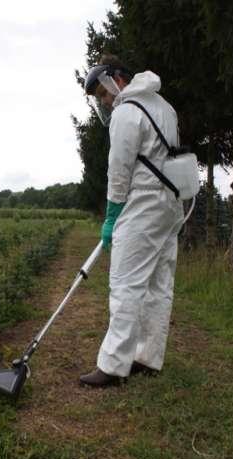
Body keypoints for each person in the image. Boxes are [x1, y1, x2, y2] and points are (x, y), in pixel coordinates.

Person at [79, 54, 185, 387]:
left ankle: (112, 366)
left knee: (125, 283)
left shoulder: (127, 112)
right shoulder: (164, 106)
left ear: (117, 79)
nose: (106, 102)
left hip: (143, 206)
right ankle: (148, 358)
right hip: (171, 206)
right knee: (158, 285)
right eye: (100, 98)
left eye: (103, 94)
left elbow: (120, 170)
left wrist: (112, 214)